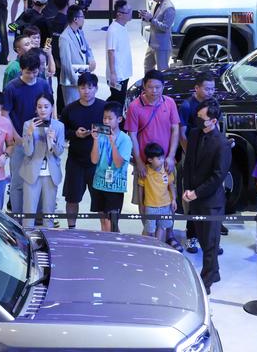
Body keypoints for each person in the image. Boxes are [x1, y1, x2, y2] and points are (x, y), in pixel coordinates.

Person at [126, 69, 181, 245]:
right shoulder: (135, 106)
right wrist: (140, 162)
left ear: (163, 87)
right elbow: (132, 135)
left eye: (158, 87)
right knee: (144, 200)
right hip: (145, 164)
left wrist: (171, 156)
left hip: (166, 163)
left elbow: (175, 129)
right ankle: (149, 237)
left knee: (169, 198)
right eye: (150, 87)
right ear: (144, 86)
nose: (154, 91)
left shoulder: (169, 103)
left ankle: (169, 235)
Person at [182, 101, 231, 293]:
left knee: (210, 244)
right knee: (203, 239)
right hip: (193, 196)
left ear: (213, 121)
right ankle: (215, 272)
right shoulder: (194, 134)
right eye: (198, 117)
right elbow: (188, 164)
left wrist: (196, 193)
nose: (198, 120)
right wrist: (187, 189)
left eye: (202, 118)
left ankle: (206, 282)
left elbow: (218, 176)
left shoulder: (222, 144)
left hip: (211, 201)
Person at [3, 50, 53, 214]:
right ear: (21, 70)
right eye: (28, 72)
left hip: (40, 140)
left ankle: (37, 215)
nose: (31, 76)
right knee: (17, 182)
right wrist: (16, 136)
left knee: (38, 179)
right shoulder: (12, 87)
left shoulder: (43, 84)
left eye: (35, 72)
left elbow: (50, 108)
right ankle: (17, 216)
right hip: (19, 141)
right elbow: (5, 114)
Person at [178, 73, 218, 253]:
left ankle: (209, 237)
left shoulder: (214, 104)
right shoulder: (187, 106)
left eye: (212, 88)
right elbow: (182, 134)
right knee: (192, 197)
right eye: (207, 88)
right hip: (191, 156)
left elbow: (217, 128)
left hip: (209, 155)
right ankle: (191, 236)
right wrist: (191, 154)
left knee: (210, 196)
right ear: (197, 88)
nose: (210, 92)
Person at [60, 73, 105, 229]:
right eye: (83, 88)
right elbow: (62, 131)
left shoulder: (104, 107)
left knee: (101, 200)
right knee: (72, 199)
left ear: (96, 88)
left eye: (90, 87)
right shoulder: (69, 109)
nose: (86, 91)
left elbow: (113, 129)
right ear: (78, 89)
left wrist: (98, 132)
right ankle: (71, 229)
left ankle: (105, 231)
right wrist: (75, 134)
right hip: (75, 161)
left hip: (98, 163)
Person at [20, 92, 65, 228]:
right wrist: (29, 134)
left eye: (46, 106)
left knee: (49, 214)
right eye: (39, 107)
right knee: (29, 213)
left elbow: (59, 152)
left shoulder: (59, 126)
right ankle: (27, 239)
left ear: (52, 107)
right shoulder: (28, 124)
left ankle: (49, 239)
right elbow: (28, 152)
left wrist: (53, 140)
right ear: (36, 108)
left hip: (51, 174)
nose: (43, 110)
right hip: (31, 173)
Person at [90, 101, 133, 232]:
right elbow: (94, 160)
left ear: (119, 119)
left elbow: (118, 163)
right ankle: (106, 242)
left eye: (110, 118)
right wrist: (95, 140)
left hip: (115, 187)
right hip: (99, 183)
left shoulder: (125, 139)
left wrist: (113, 143)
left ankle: (114, 243)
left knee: (111, 223)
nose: (106, 121)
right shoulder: (100, 135)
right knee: (103, 221)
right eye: (104, 118)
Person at [58, 4, 95, 106]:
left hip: (82, 76)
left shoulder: (80, 32)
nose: (84, 19)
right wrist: (77, 82)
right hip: (71, 82)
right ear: (75, 19)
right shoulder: (64, 37)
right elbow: (66, 64)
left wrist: (91, 59)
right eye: (82, 16)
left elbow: (87, 48)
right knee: (72, 109)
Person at [140, 142, 177, 242]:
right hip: (150, 206)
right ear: (150, 160)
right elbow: (141, 187)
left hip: (165, 205)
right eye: (159, 159)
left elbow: (171, 185)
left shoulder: (167, 170)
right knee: (149, 230)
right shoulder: (145, 171)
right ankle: (147, 246)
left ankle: (158, 246)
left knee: (162, 227)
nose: (162, 160)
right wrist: (141, 203)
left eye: (162, 158)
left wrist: (173, 199)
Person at [140, 0, 175, 72]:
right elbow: (154, 17)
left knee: (162, 71)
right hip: (152, 43)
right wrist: (145, 17)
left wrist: (151, 19)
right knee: (147, 67)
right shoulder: (156, 2)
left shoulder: (169, 8)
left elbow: (165, 27)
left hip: (162, 46)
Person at [105, 0, 133, 104]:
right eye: (128, 11)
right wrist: (113, 74)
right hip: (118, 75)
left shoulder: (122, 27)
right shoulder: (113, 30)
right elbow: (111, 52)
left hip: (124, 73)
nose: (131, 13)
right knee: (117, 101)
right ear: (119, 14)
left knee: (119, 99)